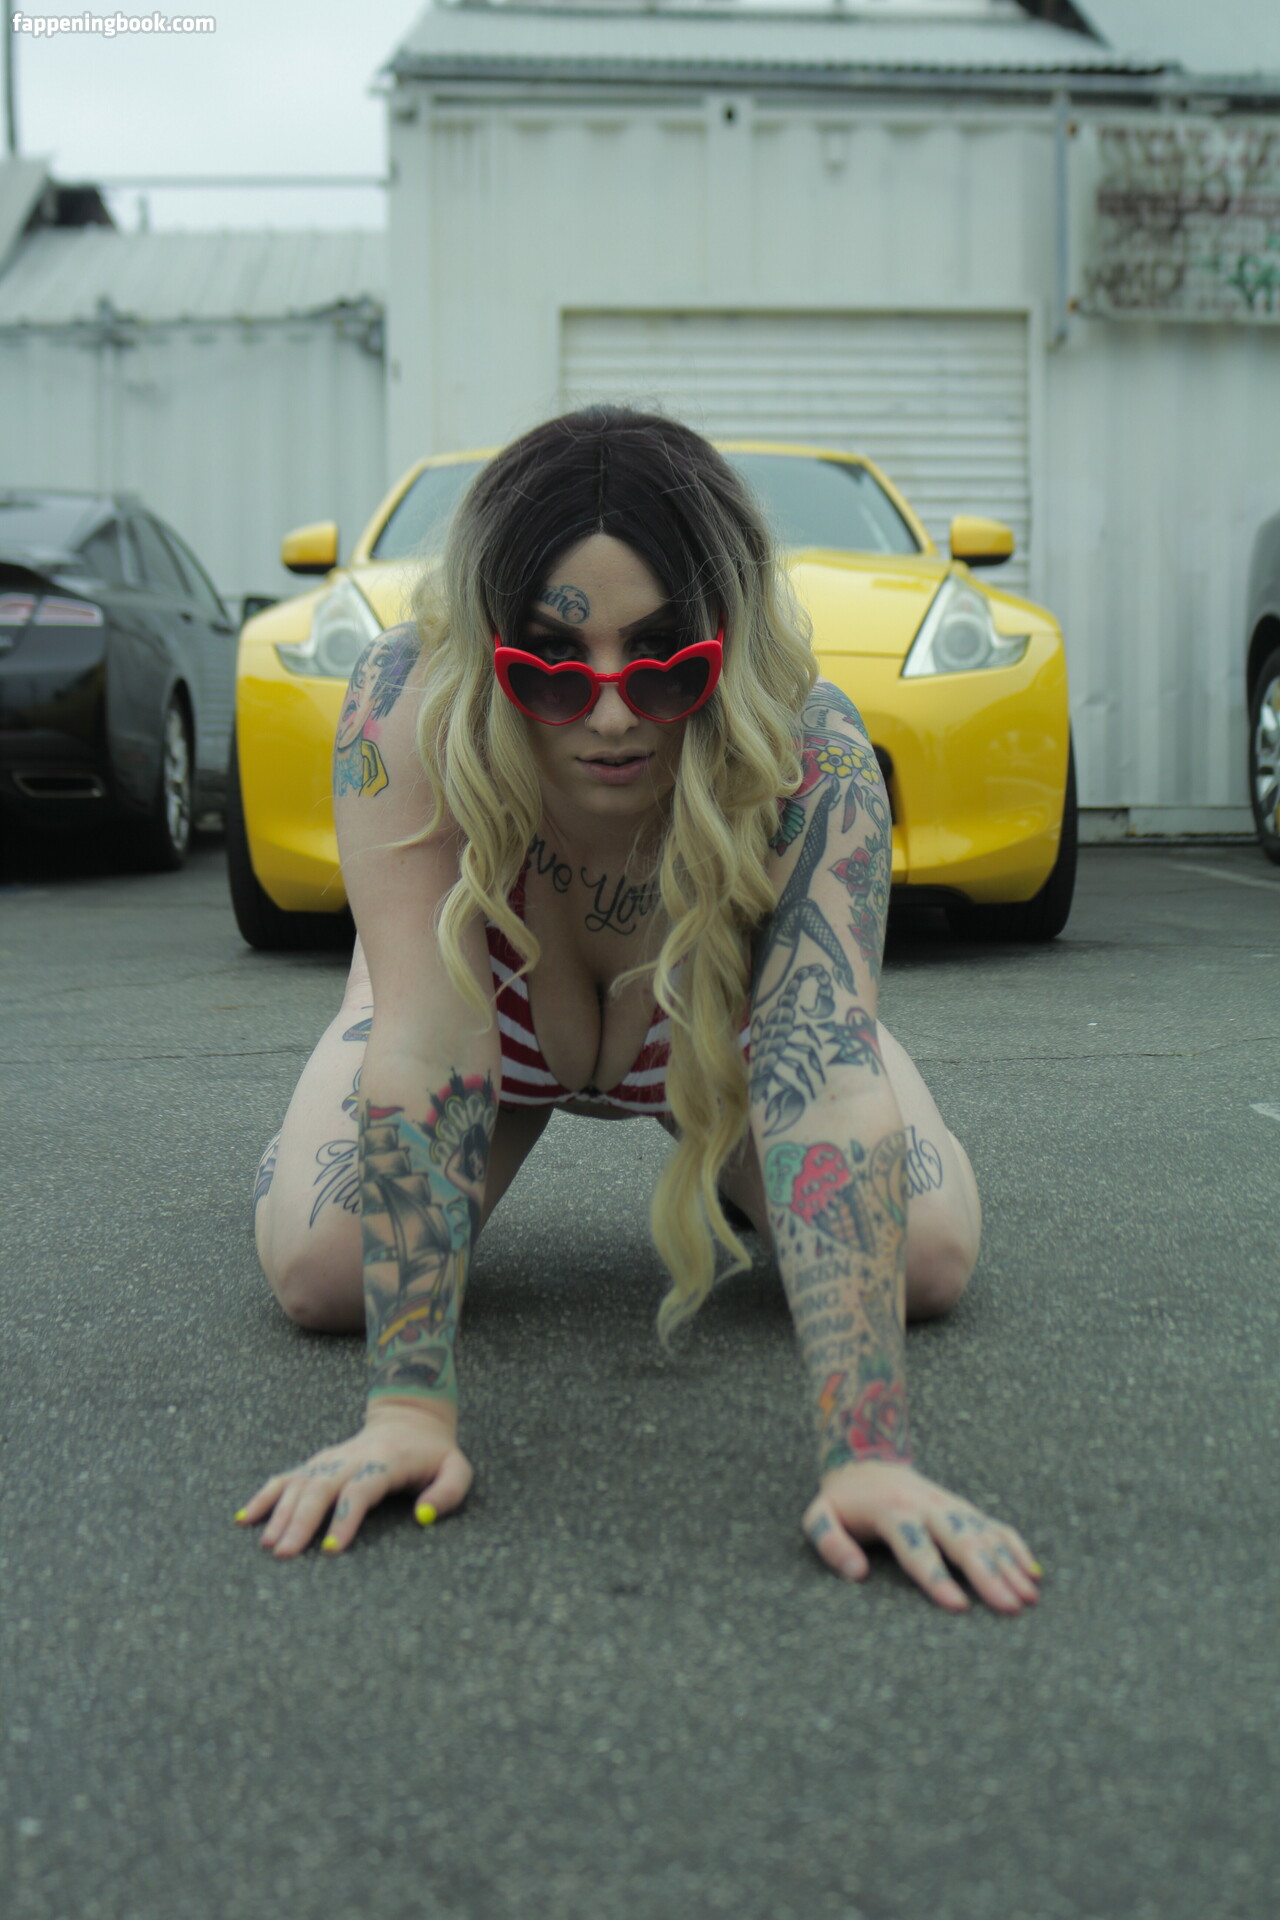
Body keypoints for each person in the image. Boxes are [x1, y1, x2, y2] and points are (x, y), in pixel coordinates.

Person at [236, 406, 1042, 1615]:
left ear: (726, 641)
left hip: (717, 1025)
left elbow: (821, 1086)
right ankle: (357, 1027)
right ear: (487, 647)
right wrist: (408, 1413)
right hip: (471, 1001)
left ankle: (822, 1021)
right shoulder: (404, 706)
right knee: (322, 1271)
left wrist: (867, 1457)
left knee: (922, 1260)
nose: (611, 714)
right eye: (550, 666)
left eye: (665, 658)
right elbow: (430, 1042)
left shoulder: (811, 752)